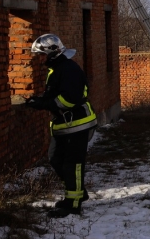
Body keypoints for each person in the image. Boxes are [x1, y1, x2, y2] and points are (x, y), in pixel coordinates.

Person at [24, 34, 97, 218]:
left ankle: (73, 204)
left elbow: (69, 99)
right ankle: (78, 192)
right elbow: (55, 94)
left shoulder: (68, 69)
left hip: (78, 124)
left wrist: (44, 104)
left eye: (41, 54)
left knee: (73, 164)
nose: (39, 59)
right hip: (64, 125)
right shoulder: (56, 68)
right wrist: (40, 100)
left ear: (52, 53)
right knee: (55, 158)